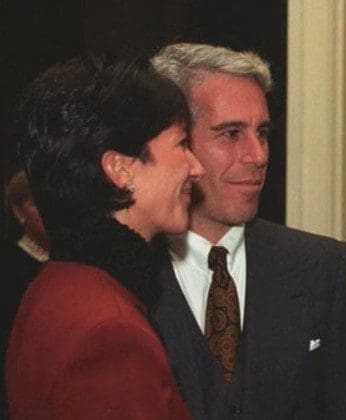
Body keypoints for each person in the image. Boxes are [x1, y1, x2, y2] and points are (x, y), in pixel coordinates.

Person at [151, 43, 346, 419]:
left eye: (262, 133)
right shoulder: (122, 277)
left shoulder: (322, 269)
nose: (258, 156)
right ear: (177, 142)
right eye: (231, 134)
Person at [5, 54, 204, 418]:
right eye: (181, 144)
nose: (196, 167)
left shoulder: (57, 283)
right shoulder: (110, 333)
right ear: (120, 168)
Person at [1, 169, 50, 417]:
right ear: (18, 212)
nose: (46, 210)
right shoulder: (8, 265)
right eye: (35, 203)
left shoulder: (69, 258)